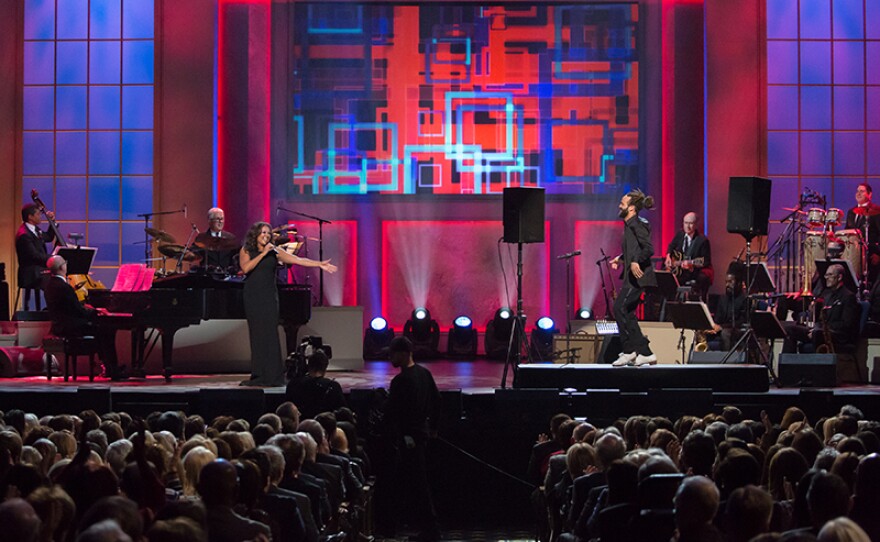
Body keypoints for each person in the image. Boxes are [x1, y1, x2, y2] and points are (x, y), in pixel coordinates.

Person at [238, 221, 337, 387]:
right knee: (257, 336)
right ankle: (258, 375)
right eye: (263, 233)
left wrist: (319, 264)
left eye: (268, 233)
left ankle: (273, 376)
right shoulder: (246, 250)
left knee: (270, 335)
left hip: (269, 297)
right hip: (252, 296)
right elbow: (246, 268)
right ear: (255, 234)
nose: (266, 236)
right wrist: (263, 254)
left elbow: (298, 260)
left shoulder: (275, 252)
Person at [378, 336, 441, 541]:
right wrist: (433, 428)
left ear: (404, 354)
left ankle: (394, 528)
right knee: (415, 485)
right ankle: (422, 529)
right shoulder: (424, 374)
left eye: (393, 354)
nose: (390, 358)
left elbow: (394, 412)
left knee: (409, 486)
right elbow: (436, 401)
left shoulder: (401, 381)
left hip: (408, 441)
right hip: (420, 437)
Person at [42, 255, 124, 381]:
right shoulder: (64, 287)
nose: (66, 265)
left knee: (102, 330)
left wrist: (88, 309)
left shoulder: (50, 285)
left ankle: (109, 367)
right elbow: (78, 310)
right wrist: (95, 312)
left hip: (61, 325)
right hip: (71, 327)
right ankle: (112, 369)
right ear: (61, 267)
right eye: (65, 263)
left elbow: (70, 307)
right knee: (105, 330)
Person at [610, 189, 658, 366]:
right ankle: (644, 353)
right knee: (627, 312)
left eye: (622, 203)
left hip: (639, 277)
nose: (619, 205)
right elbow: (634, 249)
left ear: (631, 208)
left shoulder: (637, 224)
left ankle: (630, 350)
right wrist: (621, 259)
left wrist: (636, 261)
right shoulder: (630, 224)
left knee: (619, 308)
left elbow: (648, 249)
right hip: (632, 276)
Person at [782, 263, 860, 354]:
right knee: (790, 329)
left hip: (838, 335)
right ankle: (788, 365)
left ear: (839, 277)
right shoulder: (827, 296)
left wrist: (821, 330)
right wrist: (816, 328)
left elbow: (846, 324)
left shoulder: (848, 297)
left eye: (830, 275)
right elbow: (821, 320)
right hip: (822, 331)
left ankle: (818, 366)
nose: (826, 277)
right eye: (826, 275)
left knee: (817, 334)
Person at [16, 203, 58, 310]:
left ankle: (53, 309)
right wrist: (52, 259)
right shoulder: (24, 234)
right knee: (52, 280)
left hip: (38, 269)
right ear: (30, 217)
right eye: (38, 214)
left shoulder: (35, 230)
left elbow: (48, 237)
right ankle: (52, 310)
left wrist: (52, 222)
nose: (40, 216)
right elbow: (34, 256)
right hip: (30, 272)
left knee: (56, 278)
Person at [664, 212, 714, 300]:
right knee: (665, 279)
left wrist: (692, 264)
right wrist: (668, 256)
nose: (687, 226)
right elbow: (671, 246)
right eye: (685, 223)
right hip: (679, 272)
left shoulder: (702, 240)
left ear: (696, 224)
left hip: (692, 272)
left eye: (690, 223)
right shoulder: (680, 235)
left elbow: (706, 261)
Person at [285, 350, 346, 420]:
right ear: (325, 368)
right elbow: (342, 411)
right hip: (325, 426)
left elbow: (287, 408)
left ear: (309, 366)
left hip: (300, 424)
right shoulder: (332, 386)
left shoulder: (293, 384)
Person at [845, 183, 880, 283]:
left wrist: (878, 254)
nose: (858, 193)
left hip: (871, 255)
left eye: (862, 191)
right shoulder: (851, 212)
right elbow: (847, 231)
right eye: (857, 191)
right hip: (853, 255)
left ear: (870, 194)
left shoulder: (877, 211)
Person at [708, 272, 748, 351]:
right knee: (707, 333)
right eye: (726, 282)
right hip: (723, 328)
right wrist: (713, 327)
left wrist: (722, 327)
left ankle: (726, 361)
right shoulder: (723, 299)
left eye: (730, 282)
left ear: (738, 283)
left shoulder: (745, 299)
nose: (727, 285)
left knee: (725, 334)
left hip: (738, 330)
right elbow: (717, 319)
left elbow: (742, 321)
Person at [193, 207, 239, 272]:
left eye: (222, 219)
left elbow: (237, 257)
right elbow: (193, 255)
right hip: (208, 276)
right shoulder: (201, 238)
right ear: (209, 221)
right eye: (217, 219)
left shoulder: (230, 237)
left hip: (226, 276)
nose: (220, 222)